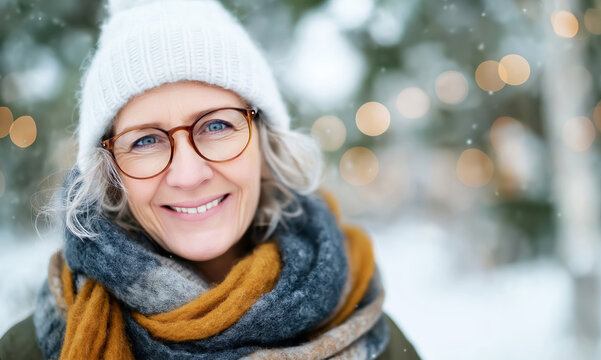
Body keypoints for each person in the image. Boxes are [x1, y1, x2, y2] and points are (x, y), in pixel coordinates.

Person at [0, 0, 421, 359]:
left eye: (217, 127)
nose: (188, 174)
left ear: (265, 146)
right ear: (111, 175)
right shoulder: (31, 348)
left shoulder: (374, 337)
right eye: (145, 140)